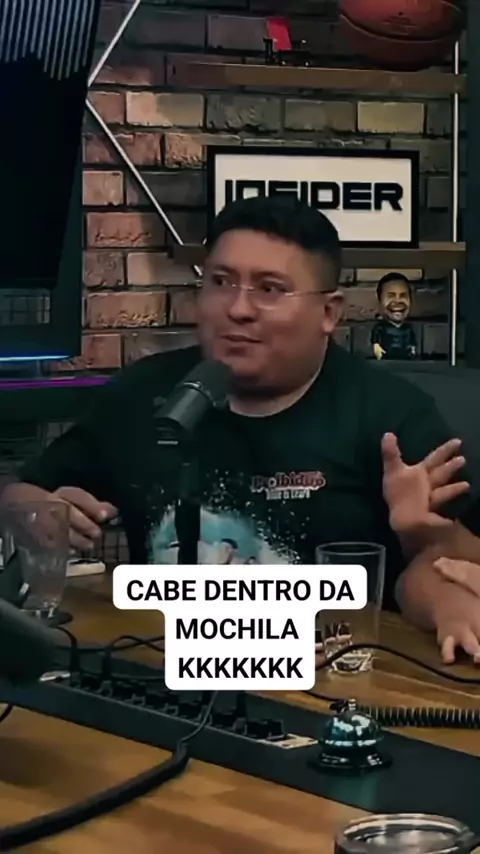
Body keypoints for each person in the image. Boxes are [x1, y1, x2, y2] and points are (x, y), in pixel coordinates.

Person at [0, 196, 474, 654]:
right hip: (166, 665)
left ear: (329, 312)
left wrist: (425, 538)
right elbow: (22, 493)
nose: (238, 309)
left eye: (269, 289)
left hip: (332, 676)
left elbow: (453, 565)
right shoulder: (143, 395)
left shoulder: (391, 416)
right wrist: (34, 514)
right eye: (221, 282)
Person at [371, 272, 417, 361]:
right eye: (391, 296)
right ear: (379, 301)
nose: (397, 301)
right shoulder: (380, 328)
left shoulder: (408, 329)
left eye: (403, 295)